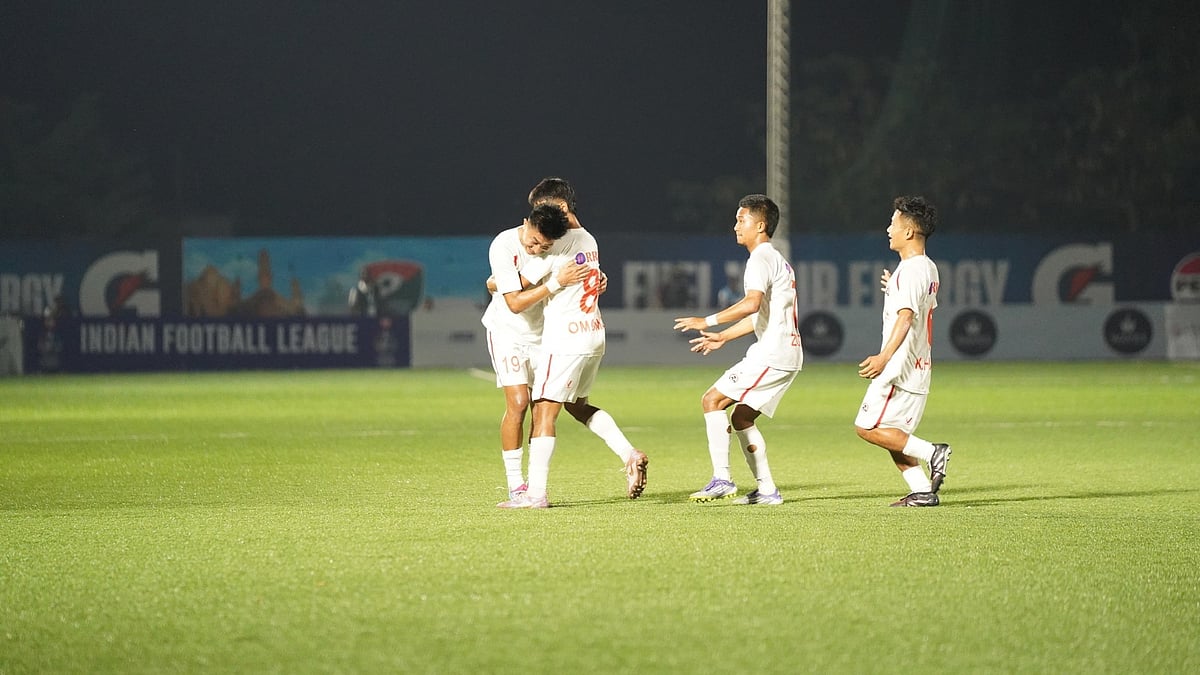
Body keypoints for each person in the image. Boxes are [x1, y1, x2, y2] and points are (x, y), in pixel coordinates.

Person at [497, 178, 648, 508]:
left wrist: (498, 280)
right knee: (578, 406)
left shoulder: (559, 243)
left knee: (544, 413)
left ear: (561, 209)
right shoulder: (588, 238)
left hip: (566, 338)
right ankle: (629, 453)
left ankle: (535, 495)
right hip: (594, 333)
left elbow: (515, 288)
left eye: (543, 210)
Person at [673, 194, 802, 505]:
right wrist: (724, 336)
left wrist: (707, 320)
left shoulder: (760, 258)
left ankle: (722, 479)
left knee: (712, 400)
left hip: (772, 354)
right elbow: (761, 315)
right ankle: (767, 490)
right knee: (742, 417)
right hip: (786, 354)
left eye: (741, 220)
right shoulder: (775, 258)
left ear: (760, 225)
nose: (735, 226)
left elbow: (750, 304)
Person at [482, 203, 589, 503]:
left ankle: (535, 486)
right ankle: (516, 485)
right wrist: (556, 282)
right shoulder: (503, 245)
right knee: (518, 403)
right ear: (526, 222)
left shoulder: (557, 249)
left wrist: (597, 281)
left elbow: (581, 272)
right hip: (507, 332)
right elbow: (514, 303)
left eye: (544, 246)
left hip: (545, 335)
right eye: (533, 241)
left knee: (544, 408)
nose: (536, 248)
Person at [854, 195, 952, 507]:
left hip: (900, 366)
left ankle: (933, 452)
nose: (888, 229)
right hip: (919, 367)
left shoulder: (910, 271)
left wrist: (883, 357)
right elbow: (922, 307)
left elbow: (907, 316)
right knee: (893, 436)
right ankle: (923, 491)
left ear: (909, 232)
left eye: (893, 223)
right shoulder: (927, 268)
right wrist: (894, 286)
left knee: (867, 427)